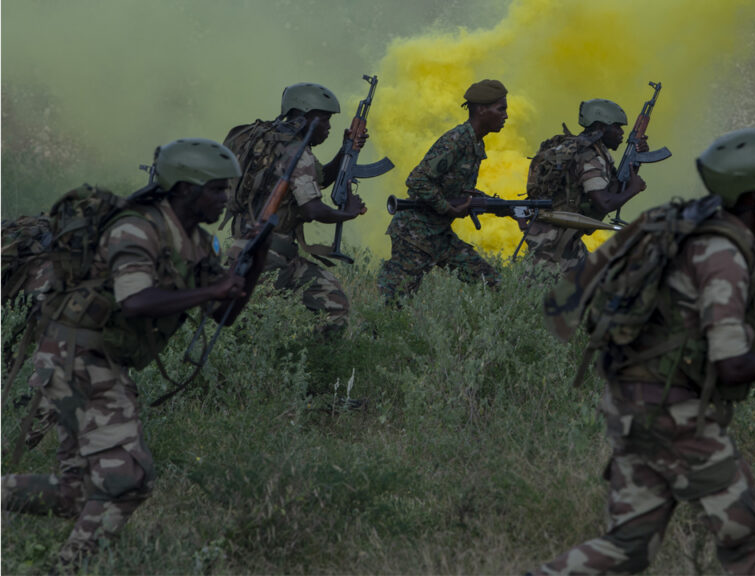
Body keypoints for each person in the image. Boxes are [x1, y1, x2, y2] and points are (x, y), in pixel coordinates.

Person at [537, 128, 755, 575]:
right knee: (749, 535)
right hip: (672, 418)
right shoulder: (722, 254)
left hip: (636, 406)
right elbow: (732, 366)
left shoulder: (722, 234)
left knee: (628, 548)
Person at [1, 138, 265, 571]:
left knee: (77, 493)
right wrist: (212, 288)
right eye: (216, 189)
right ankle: (68, 568)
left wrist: (253, 260)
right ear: (184, 189)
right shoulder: (136, 229)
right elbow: (135, 302)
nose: (226, 198)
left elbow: (224, 314)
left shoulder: (194, 240)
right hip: (78, 358)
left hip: (91, 358)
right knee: (127, 479)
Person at [223, 82, 367, 333]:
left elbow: (317, 179)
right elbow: (312, 209)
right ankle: (277, 365)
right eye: (324, 120)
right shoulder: (297, 152)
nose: (329, 128)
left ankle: (313, 366)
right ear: (306, 117)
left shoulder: (269, 140)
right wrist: (349, 212)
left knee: (333, 300)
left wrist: (346, 151)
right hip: (268, 256)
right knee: (254, 326)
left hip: (254, 248)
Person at [376, 79, 508, 306]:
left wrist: (480, 200)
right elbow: (417, 180)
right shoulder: (456, 140)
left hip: (440, 235)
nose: (506, 115)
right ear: (482, 110)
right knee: (393, 304)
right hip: (414, 235)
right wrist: (448, 208)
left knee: (493, 282)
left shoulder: (475, 143)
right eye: (501, 109)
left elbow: (452, 185)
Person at [523, 99, 647, 275]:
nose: (621, 133)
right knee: (536, 295)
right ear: (601, 127)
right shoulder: (589, 155)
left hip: (562, 238)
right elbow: (604, 202)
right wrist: (633, 190)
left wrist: (635, 161)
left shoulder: (582, 148)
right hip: (553, 243)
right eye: (617, 127)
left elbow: (612, 190)